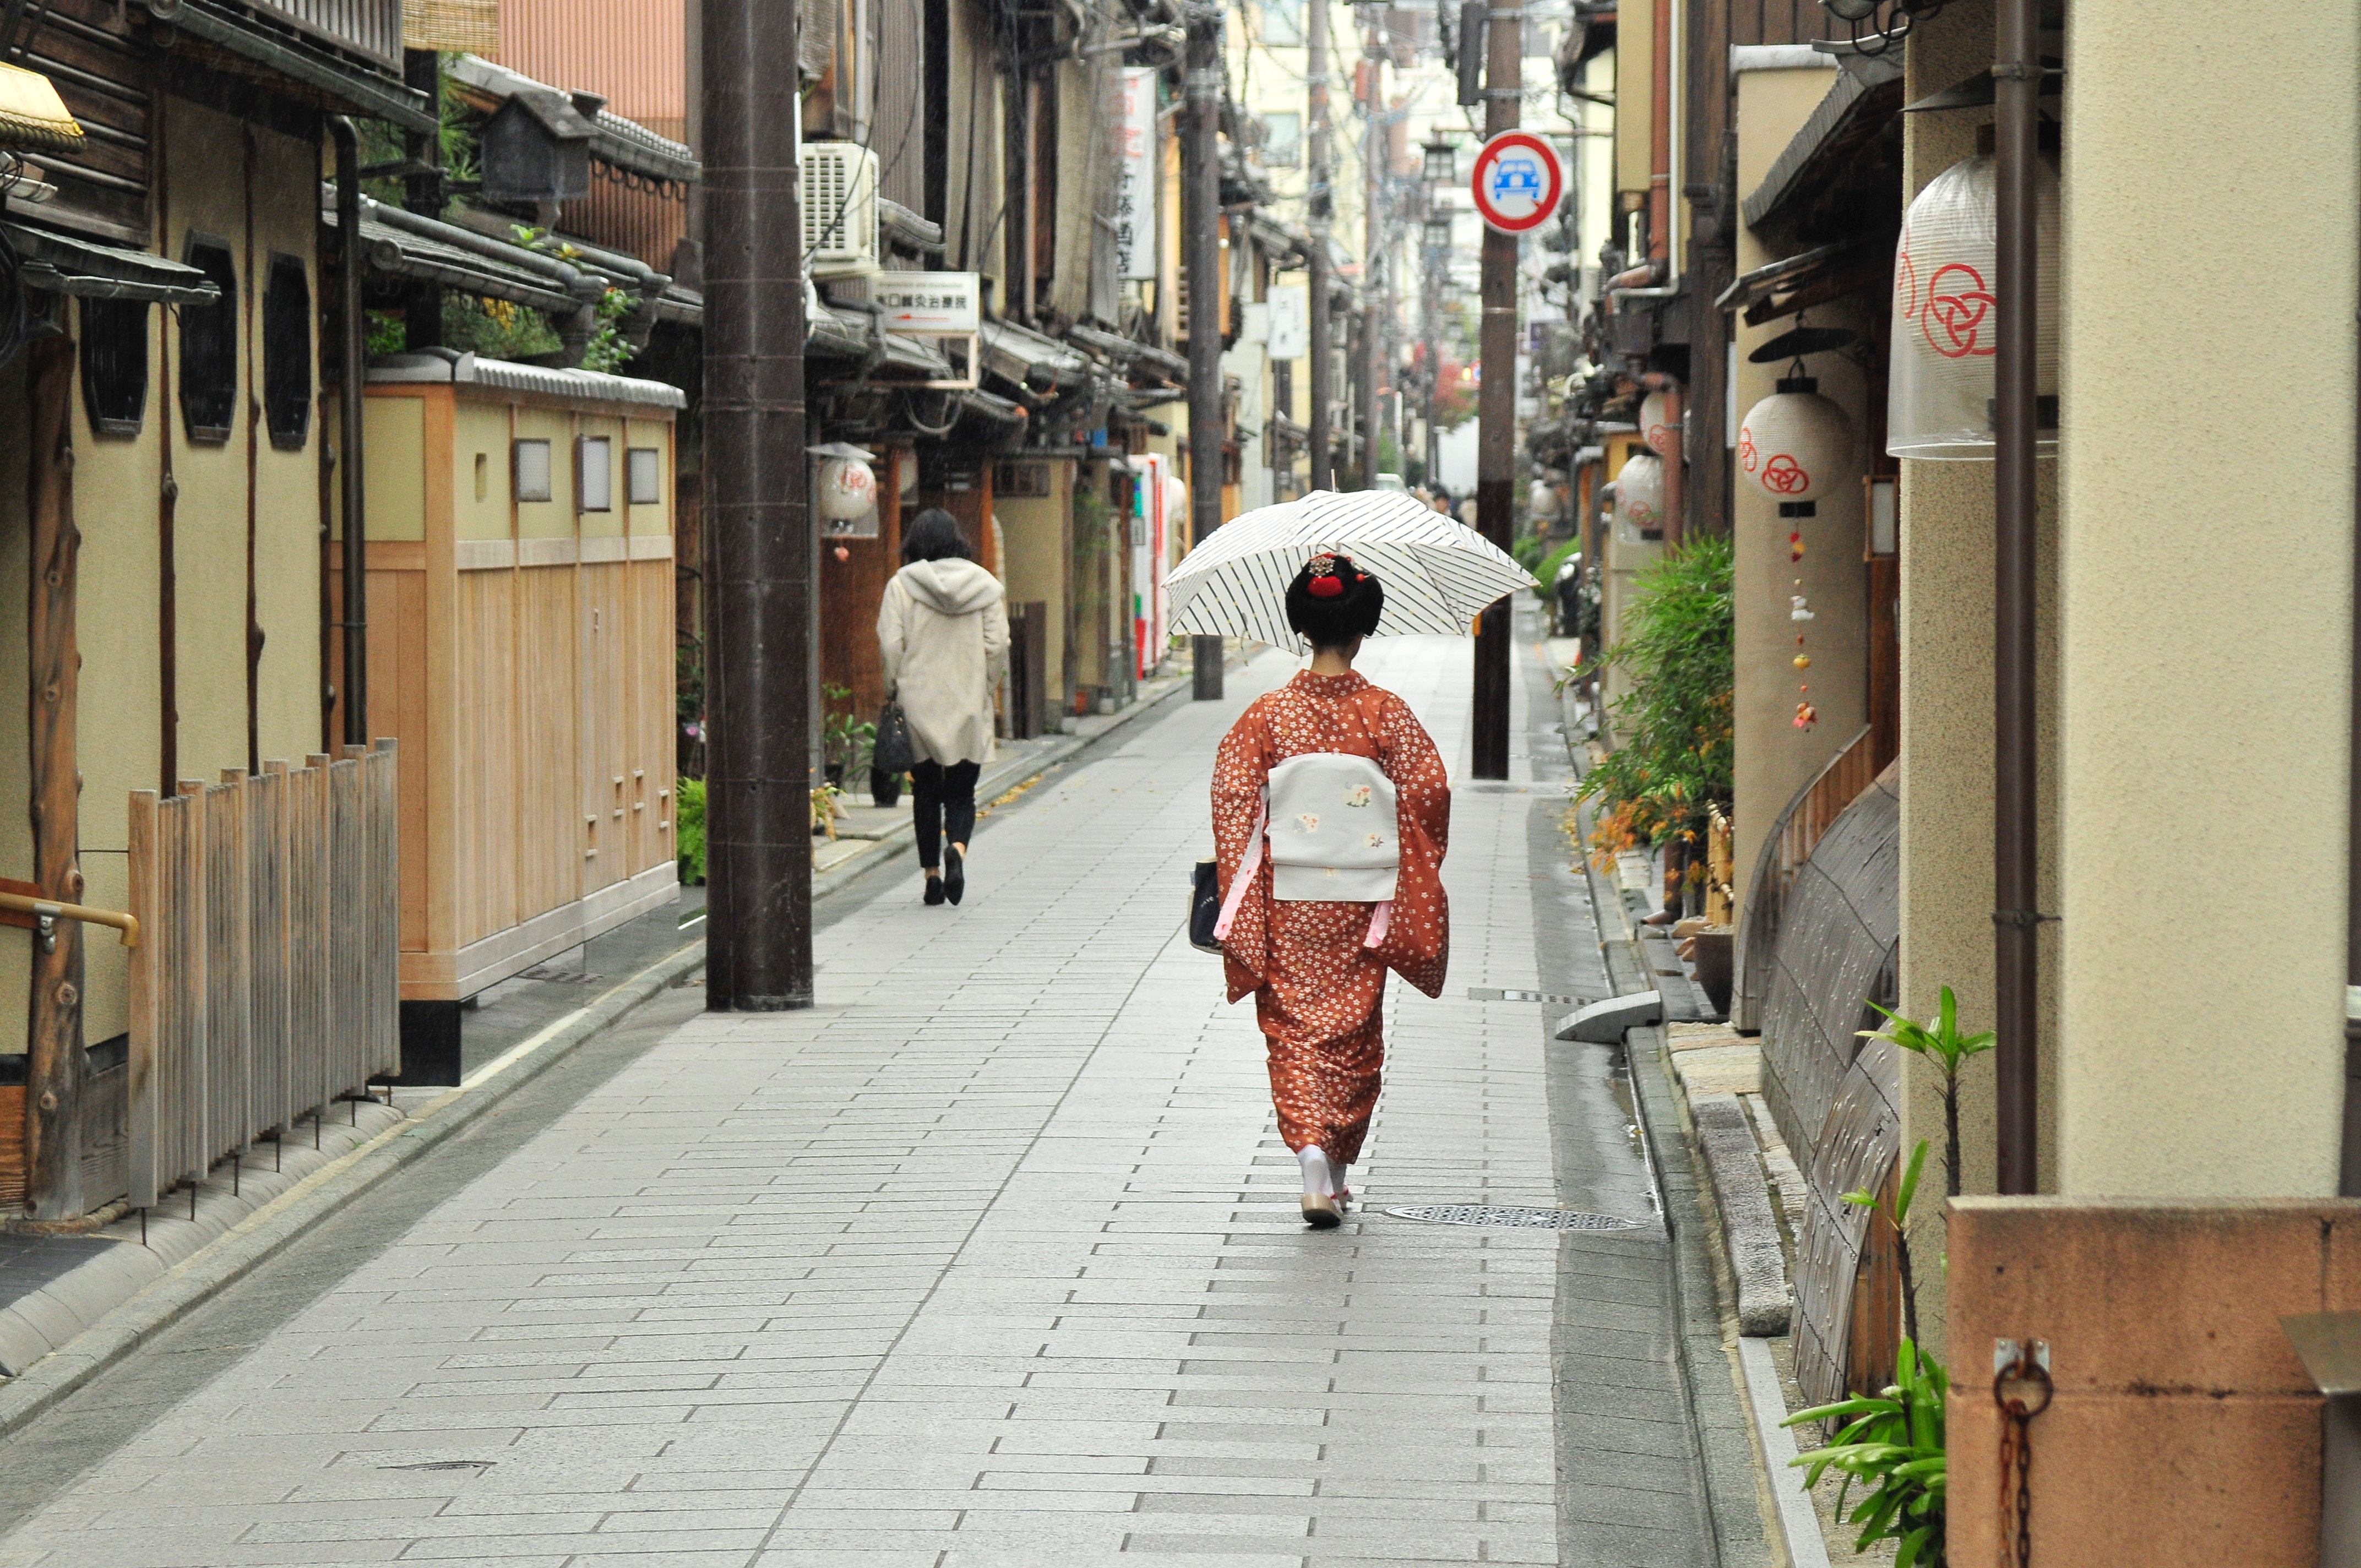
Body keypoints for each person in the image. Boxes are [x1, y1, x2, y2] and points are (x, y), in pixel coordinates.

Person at [1210, 553, 1451, 1227]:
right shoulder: (1385, 713)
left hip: (1287, 895)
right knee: (1353, 1031)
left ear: (1301, 625)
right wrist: (1391, 837)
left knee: (1292, 1031)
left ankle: (1312, 1159)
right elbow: (1429, 793)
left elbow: (1232, 798)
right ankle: (1338, 1168)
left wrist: (1247, 869)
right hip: (1363, 896)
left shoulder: (1265, 716)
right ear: (1362, 627)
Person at [877, 508, 1008, 906]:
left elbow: (889, 644)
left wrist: (894, 688)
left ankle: (932, 876)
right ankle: (958, 850)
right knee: (962, 791)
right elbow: (998, 645)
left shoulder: (901, 586)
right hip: (968, 698)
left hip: (918, 701)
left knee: (926, 792)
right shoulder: (985, 586)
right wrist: (985, 685)